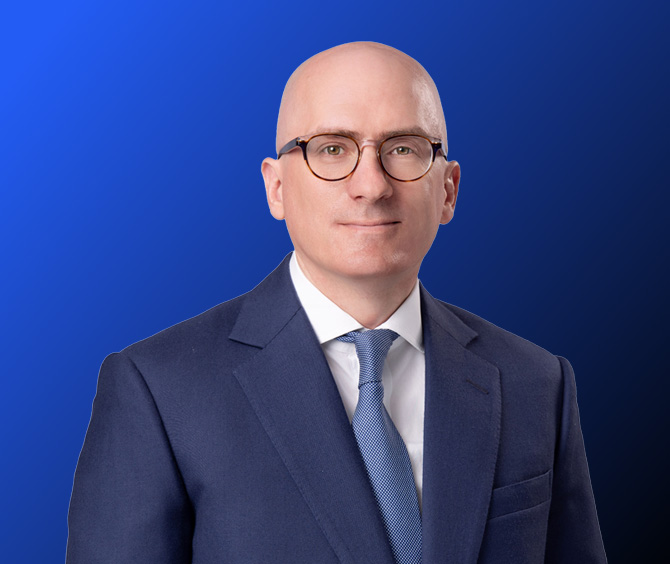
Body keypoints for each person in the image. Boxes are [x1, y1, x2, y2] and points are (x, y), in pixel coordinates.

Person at [66, 42, 607, 563]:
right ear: (276, 188)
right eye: (331, 149)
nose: (371, 185)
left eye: (403, 148)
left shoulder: (537, 384)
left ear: (448, 189)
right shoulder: (159, 390)